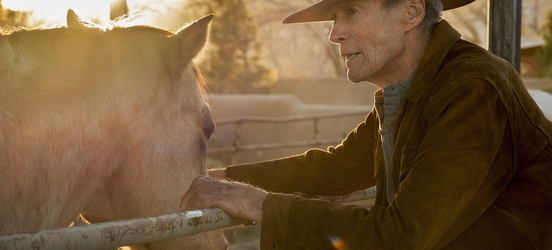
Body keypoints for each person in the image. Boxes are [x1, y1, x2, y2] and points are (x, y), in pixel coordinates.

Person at [180, 0, 552, 249]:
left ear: (411, 11)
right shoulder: (413, 89)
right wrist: (220, 179)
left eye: (352, 11)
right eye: (333, 18)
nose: (334, 33)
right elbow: (337, 166)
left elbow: (403, 237)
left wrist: (256, 203)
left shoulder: (472, 90)